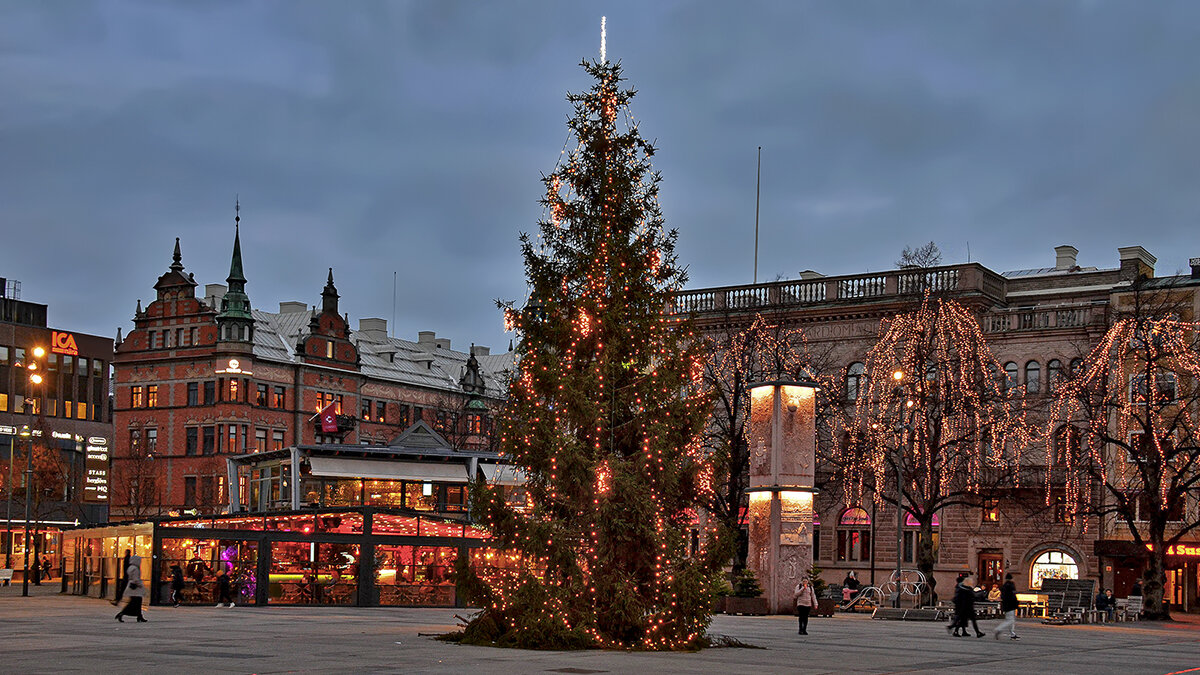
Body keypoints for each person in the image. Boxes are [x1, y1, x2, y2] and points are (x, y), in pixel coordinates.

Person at [114, 554, 147, 622]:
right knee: (136, 603)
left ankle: (139, 616)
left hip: (131, 587)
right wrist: (140, 585)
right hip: (135, 588)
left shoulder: (130, 567)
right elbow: (136, 579)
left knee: (136, 603)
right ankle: (124, 613)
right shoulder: (135, 569)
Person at [993, 573, 1020, 640]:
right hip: (1011, 605)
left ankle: (1012, 634)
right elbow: (1013, 596)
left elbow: (1003, 596)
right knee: (1010, 620)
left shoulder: (1004, 586)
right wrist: (1017, 605)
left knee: (1011, 620)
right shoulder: (1011, 586)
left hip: (1006, 605)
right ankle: (998, 629)